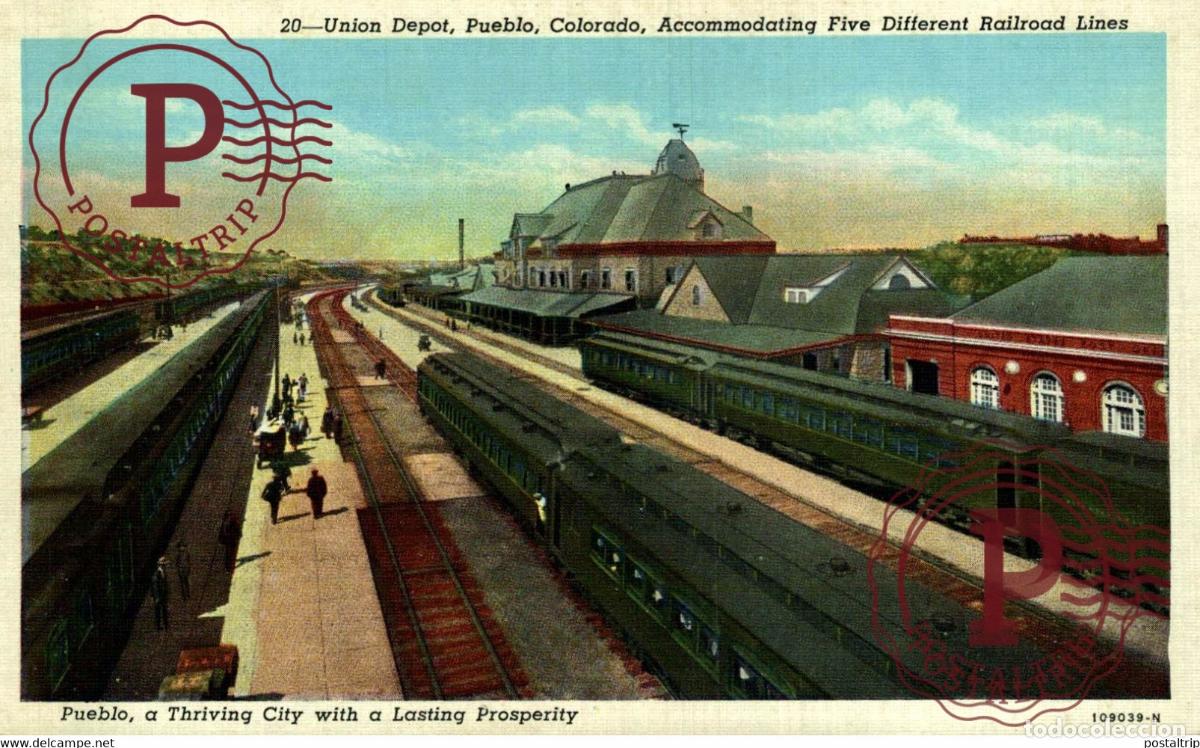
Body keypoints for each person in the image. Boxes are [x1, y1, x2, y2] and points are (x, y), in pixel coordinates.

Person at [151, 557, 170, 631]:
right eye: (164, 564)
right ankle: (159, 626)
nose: (165, 565)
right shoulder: (156, 573)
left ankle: (166, 625)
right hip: (159, 596)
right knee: (158, 612)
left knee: (164, 611)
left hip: (163, 595)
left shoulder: (163, 571)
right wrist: (156, 597)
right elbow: (154, 586)